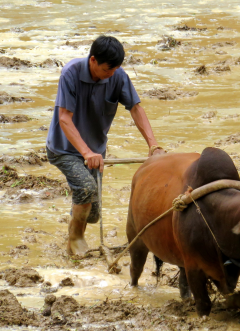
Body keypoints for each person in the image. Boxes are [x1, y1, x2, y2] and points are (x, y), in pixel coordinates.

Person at [46, 35, 164, 255]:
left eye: (114, 70)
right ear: (93, 61)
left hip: (95, 152)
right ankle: (76, 240)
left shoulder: (117, 76)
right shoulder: (70, 74)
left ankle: (75, 224)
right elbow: (64, 118)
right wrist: (86, 152)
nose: (110, 75)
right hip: (65, 149)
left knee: (93, 213)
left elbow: (136, 108)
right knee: (86, 189)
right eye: (107, 71)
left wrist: (153, 145)